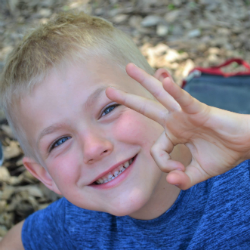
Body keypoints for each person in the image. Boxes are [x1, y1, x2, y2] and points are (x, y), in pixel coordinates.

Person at [0, 12, 250, 250]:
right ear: (45, 175)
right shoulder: (77, 222)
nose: (93, 148)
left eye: (108, 109)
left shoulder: (241, 171)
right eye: (60, 141)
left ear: (162, 95)